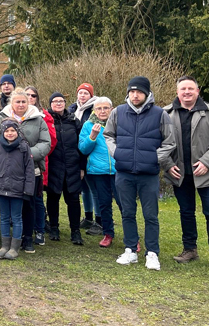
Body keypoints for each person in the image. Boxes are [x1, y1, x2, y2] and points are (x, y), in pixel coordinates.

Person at [105, 76, 175, 271]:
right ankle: (130, 250)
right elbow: (108, 135)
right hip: (124, 173)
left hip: (148, 174)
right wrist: (117, 153)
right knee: (127, 213)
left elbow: (169, 142)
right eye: (132, 91)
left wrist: (154, 158)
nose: (135, 95)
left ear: (147, 93)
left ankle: (152, 253)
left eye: (139, 92)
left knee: (150, 215)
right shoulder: (118, 112)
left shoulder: (160, 114)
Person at [165, 76, 209, 273]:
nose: (187, 92)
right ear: (177, 92)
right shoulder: (166, 113)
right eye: (183, 89)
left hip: (207, 173)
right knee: (186, 212)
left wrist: (206, 162)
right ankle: (190, 249)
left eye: (190, 88)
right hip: (180, 173)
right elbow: (158, 143)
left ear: (197, 91)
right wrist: (168, 164)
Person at [0, 88, 51, 253]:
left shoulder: (38, 119)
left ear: (28, 103)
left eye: (23, 102)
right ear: (11, 103)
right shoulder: (2, 119)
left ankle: (27, 238)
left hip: (32, 169)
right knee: (11, 206)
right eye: (17, 101)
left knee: (29, 204)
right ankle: (12, 239)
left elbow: (45, 142)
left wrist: (29, 154)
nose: (21, 104)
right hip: (9, 170)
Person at [0, 119, 35, 260]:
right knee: (4, 217)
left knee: (17, 217)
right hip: (0, 187)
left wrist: (28, 190)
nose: (10, 133)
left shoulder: (24, 147)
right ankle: (4, 246)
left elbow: (29, 170)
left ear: (17, 131)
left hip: (17, 188)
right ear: (3, 132)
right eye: (7, 131)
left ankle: (14, 248)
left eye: (12, 130)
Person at [79, 98, 121, 248]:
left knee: (124, 204)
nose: (102, 111)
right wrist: (92, 136)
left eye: (105, 108)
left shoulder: (119, 123)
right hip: (98, 171)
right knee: (104, 204)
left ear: (112, 109)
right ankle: (108, 234)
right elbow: (83, 149)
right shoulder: (88, 125)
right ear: (94, 111)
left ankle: (132, 236)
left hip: (119, 170)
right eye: (99, 108)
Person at [46, 92, 86, 245]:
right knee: (53, 198)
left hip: (72, 166)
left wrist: (82, 167)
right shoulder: (46, 120)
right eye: (55, 101)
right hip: (54, 166)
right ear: (50, 104)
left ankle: (75, 231)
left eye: (61, 101)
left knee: (73, 200)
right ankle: (54, 228)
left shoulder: (74, 121)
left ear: (65, 103)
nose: (58, 103)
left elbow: (82, 146)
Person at [25, 86, 56, 246]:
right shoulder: (15, 115)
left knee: (37, 198)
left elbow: (50, 142)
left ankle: (39, 230)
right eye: (27, 95)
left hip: (37, 162)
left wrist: (31, 154)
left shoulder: (44, 116)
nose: (30, 97)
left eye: (33, 95)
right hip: (18, 166)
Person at [69, 83, 100, 231]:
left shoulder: (95, 109)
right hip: (76, 152)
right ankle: (88, 217)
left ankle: (99, 219)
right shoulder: (72, 109)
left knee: (94, 188)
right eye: (80, 93)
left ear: (91, 96)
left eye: (86, 93)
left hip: (90, 151)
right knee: (84, 188)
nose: (82, 96)